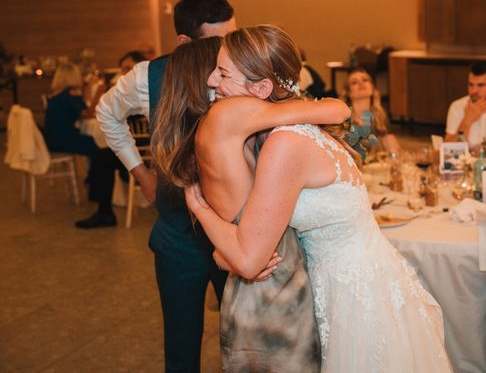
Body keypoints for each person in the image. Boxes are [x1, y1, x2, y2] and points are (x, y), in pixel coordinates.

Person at [182, 27, 453, 372]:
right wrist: (225, 256)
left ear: (262, 88)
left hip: (352, 293)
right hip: (340, 279)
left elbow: (250, 261)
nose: (210, 80)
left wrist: (200, 209)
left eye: (222, 73)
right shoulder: (281, 131)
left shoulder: (285, 145)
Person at [152, 28, 353, 371]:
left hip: (252, 284)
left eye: (222, 71)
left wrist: (210, 230)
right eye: (215, 71)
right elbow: (336, 111)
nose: (215, 81)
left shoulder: (208, 127)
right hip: (277, 284)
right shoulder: (228, 116)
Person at [96, 0, 236, 372]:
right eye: (218, 41)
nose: (229, 50)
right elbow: (106, 113)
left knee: (245, 343)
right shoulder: (147, 76)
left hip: (240, 238)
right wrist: (140, 173)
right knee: (181, 347)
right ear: (183, 42)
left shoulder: (242, 70)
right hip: (179, 239)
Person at [44, 62, 127, 228]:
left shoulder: (56, 95)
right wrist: (100, 92)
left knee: (96, 147)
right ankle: (95, 180)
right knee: (97, 147)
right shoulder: (68, 95)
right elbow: (90, 113)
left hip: (52, 138)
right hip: (64, 139)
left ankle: (93, 181)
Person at [341, 67, 399, 162]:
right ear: (349, 93)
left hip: (374, 168)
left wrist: (395, 154)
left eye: (365, 80)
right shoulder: (343, 118)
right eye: (354, 82)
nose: (361, 83)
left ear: (372, 87)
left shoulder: (379, 115)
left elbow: (391, 143)